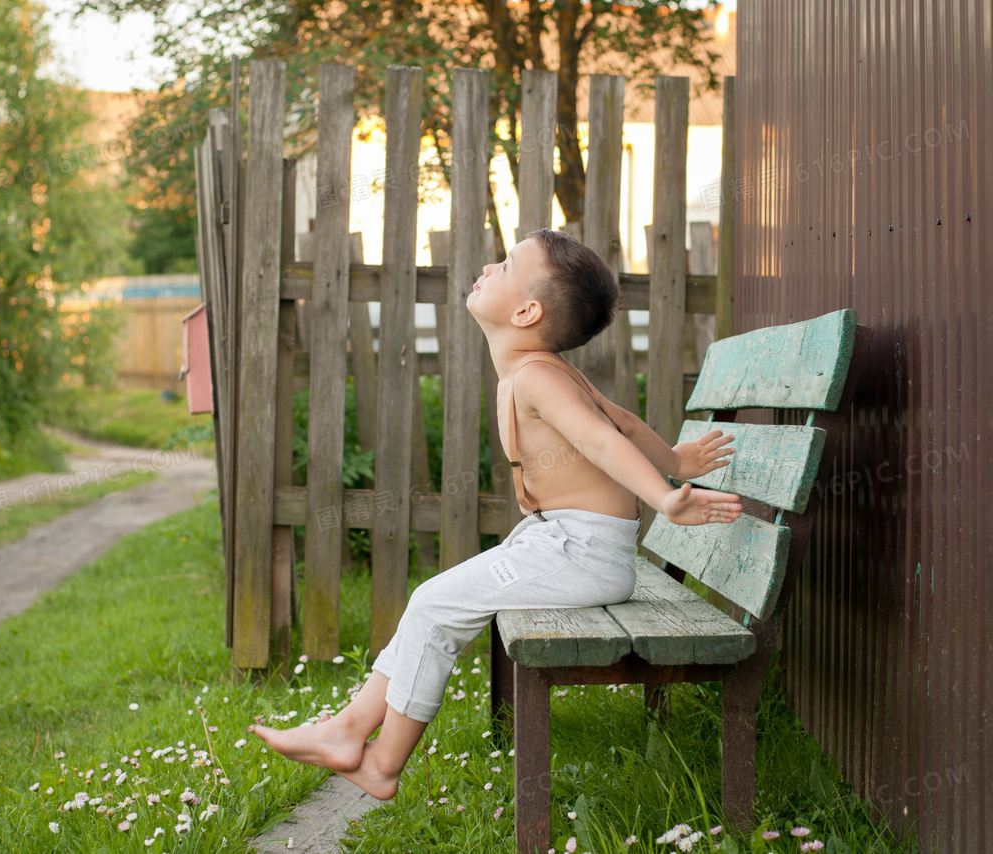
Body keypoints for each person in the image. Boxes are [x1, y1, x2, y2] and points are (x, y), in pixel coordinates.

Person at [250, 228, 742, 800]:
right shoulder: (541, 371)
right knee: (432, 605)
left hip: (579, 555)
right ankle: (346, 729)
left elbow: (605, 442)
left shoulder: (536, 376)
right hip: (561, 544)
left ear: (527, 310)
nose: (488, 264)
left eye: (506, 264)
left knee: (433, 603)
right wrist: (678, 459)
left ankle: (382, 763)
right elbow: (625, 422)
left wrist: (664, 496)